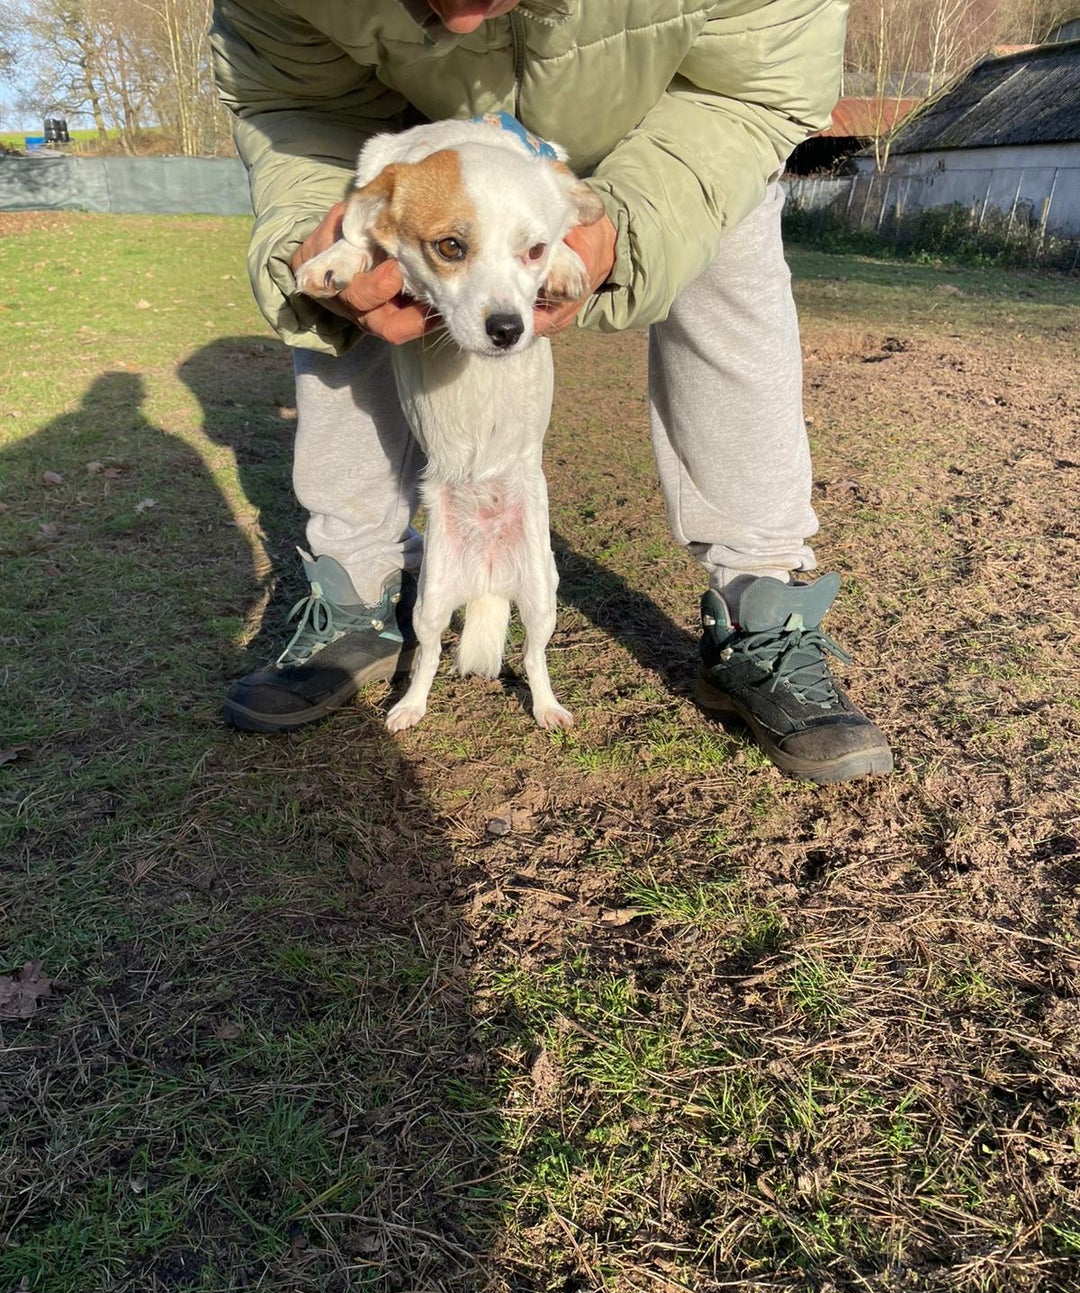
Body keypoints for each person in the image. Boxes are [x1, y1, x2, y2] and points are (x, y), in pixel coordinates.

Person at [211, 0, 893, 784]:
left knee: (731, 251)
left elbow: (752, 96)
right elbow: (295, 104)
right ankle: (356, 584)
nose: (457, 22)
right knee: (344, 285)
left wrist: (629, 225)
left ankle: (760, 599)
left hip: (673, 119)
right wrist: (323, 225)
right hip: (406, 137)